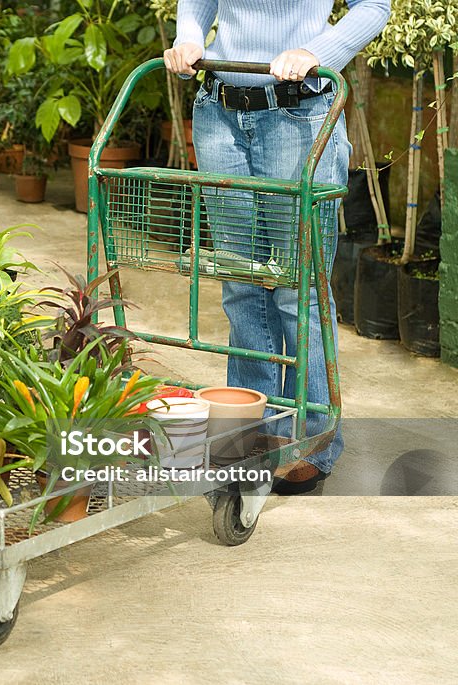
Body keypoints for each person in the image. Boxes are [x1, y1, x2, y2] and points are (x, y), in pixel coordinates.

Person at [164, 0, 390, 494]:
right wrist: (190, 36)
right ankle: (253, 432)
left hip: (298, 116)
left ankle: (311, 440)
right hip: (219, 114)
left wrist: (316, 50)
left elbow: (375, 5)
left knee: (298, 290)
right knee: (241, 286)